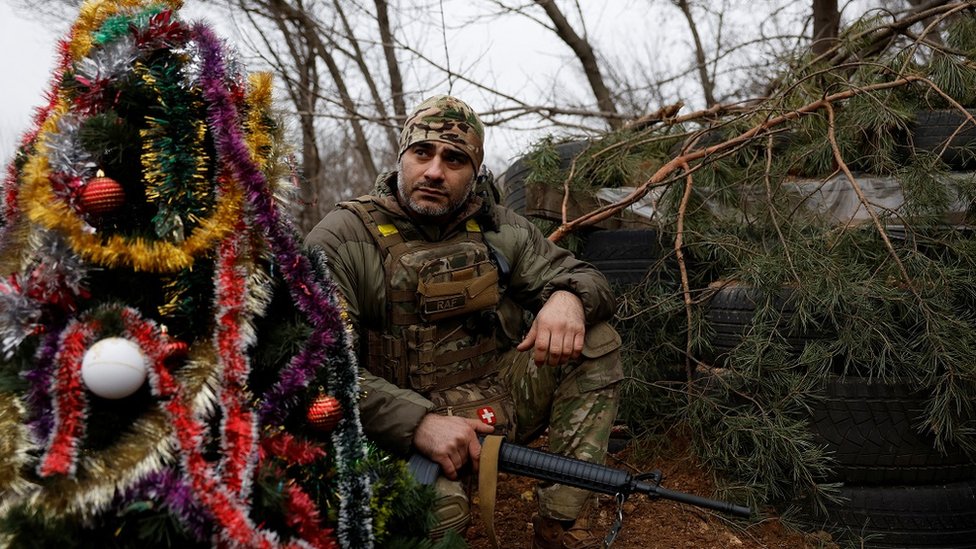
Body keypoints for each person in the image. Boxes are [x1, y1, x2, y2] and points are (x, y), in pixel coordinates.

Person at [305, 95, 623, 548]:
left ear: (475, 173)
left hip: (495, 397)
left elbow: (586, 278)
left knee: (595, 339)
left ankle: (562, 524)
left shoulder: (497, 227)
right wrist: (417, 422)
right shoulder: (344, 237)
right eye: (423, 153)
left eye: (455, 159)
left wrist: (569, 297)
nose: (435, 171)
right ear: (402, 158)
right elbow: (316, 366)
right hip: (397, 429)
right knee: (438, 517)